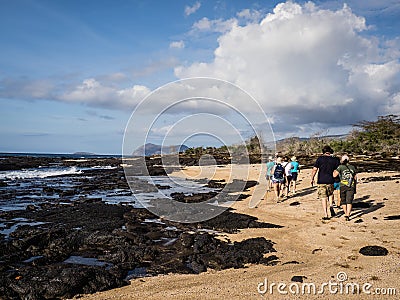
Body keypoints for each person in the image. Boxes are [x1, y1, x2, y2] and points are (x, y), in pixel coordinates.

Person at [311, 145, 340, 220]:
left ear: (323, 151)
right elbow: (338, 170)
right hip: (331, 180)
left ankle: (326, 214)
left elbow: (315, 169)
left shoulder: (320, 159)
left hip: (321, 180)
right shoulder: (335, 160)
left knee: (323, 197)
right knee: (330, 194)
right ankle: (331, 205)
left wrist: (312, 178)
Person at [333, 155, 357, 221]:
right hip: (351, 186)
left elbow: (335, 175)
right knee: (349, 200)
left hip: (343, 185)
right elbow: (355, 178)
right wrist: (355, 186)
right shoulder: (352, 167)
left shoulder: (340, 167)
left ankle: (345, 212)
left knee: (343, 200)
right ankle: (348, 214)